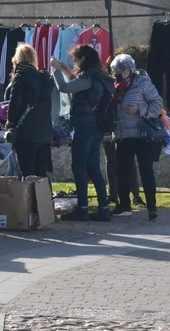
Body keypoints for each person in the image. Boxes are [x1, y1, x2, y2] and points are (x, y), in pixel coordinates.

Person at [50, 45, 114, 222]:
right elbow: (78, 86)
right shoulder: (101, 77)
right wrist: (65, 70)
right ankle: (103, 209)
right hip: (98, 127)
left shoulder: (88, 77)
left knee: (79, 166)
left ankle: (83, 209)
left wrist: (55, 70)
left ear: (83, 59)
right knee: (93, 167)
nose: (73, 61)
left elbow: (65, 88)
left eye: (75, 59)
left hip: (84, 127)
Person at [108, 54, 164, 220]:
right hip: (123, 135)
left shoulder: (143, 84)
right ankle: (124, 205)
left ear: (127, 71)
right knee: (122, 171)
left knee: (146, 170)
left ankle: (152, 207)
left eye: (117, 71)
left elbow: (157, 104)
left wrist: (139, 109)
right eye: (114, 71)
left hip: (142, 135)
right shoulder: (117, 87)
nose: (115, 74)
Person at [6, 45, 54, 177]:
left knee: (27, 174)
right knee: (41, 174)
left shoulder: (20, 77)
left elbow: (14, 105)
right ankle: (44, 197)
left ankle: (29, 198)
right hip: (44, 133)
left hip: (26, 133)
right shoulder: (44, 79)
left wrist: (10, 123)